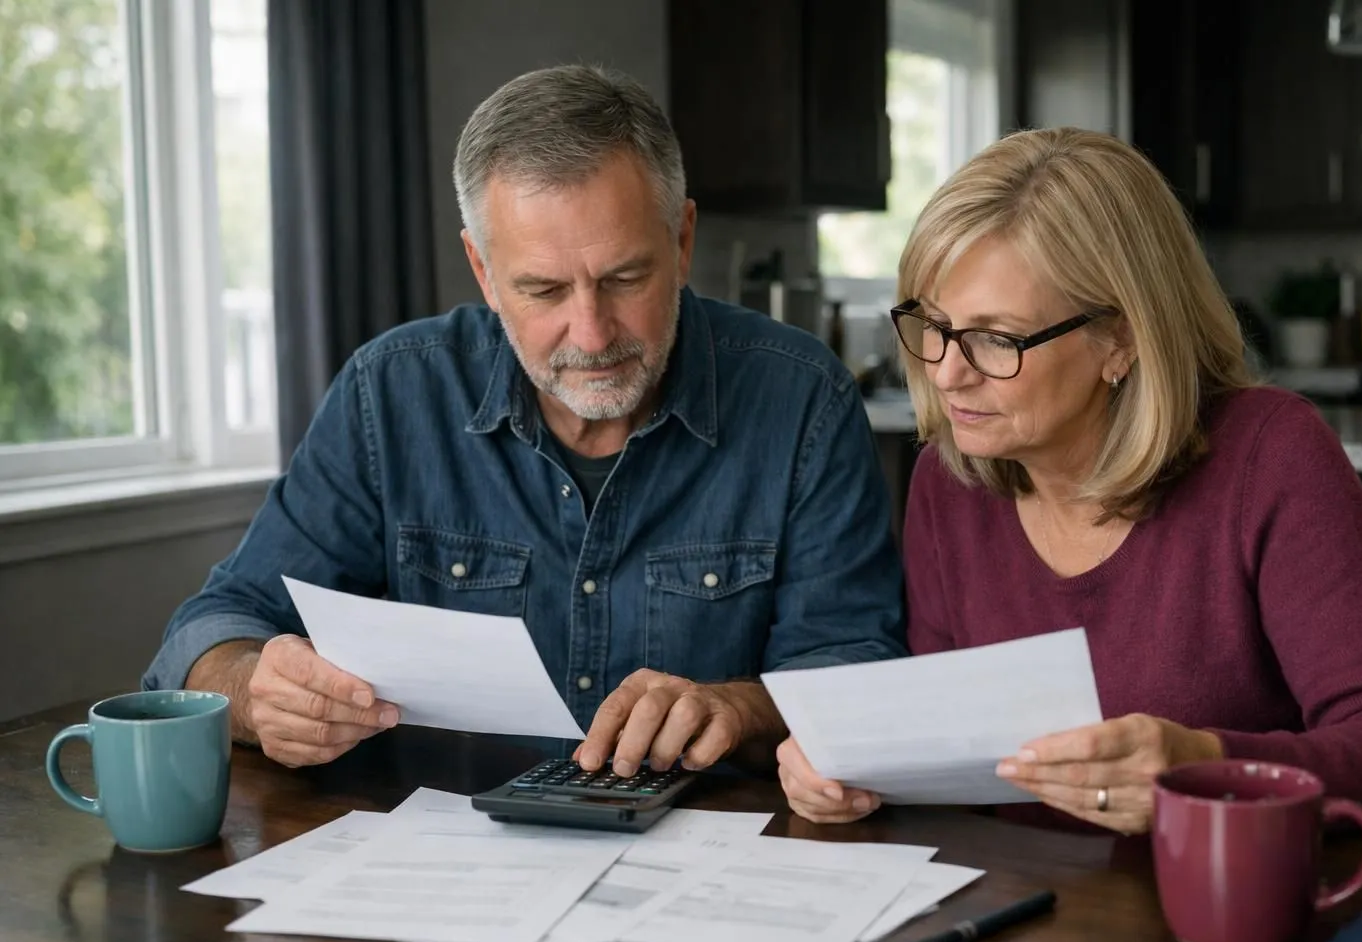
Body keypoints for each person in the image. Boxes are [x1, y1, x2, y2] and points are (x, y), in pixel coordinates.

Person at [141, 65, 905, 776]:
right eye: (542, 290)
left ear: (682, 240)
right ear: (483, 270)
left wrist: (739, 706)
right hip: (442, 856)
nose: (593, 333)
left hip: (712, 861)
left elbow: (853, 663)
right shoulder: (392, 394)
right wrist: (256, 690)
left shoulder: (802, 399)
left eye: (625, 278)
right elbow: (210, 632)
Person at [776, 126, 1362, 836]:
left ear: (1123, 338)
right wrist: (849, 768)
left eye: (997, 338)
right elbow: (952, 760)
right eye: (933, 325)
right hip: (1030, 922)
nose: (947, 372)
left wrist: (1204, 768)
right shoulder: (950, 482)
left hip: (1239, 914)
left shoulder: (1269, 455)